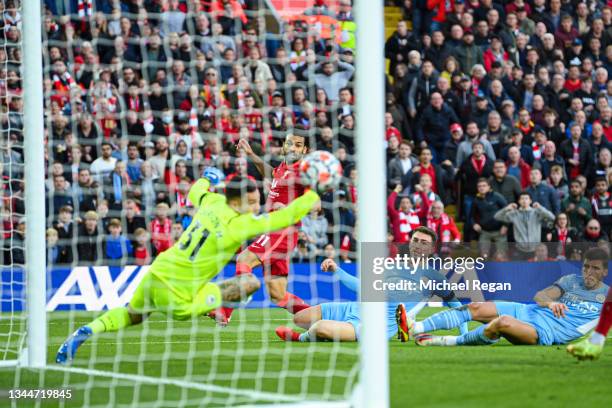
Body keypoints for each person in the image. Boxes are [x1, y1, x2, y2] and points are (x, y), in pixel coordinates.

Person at [56, 175, 321, 364]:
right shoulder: (240, 225)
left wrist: (207, 177)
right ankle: (221, 310)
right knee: (249, 284)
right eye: (251, 202)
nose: (255, 207)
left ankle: (88, 330)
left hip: (157, 271)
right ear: (237, 202)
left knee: (133, 315)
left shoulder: (212, 201)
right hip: (179, 294)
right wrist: (313, 192)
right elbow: (285, 217)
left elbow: (196, 189)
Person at [275, 227, 467, 342]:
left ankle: (301, 338)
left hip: (376, 326)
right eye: (415, 240)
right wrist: (337, 270)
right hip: (355, 308)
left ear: (432, 248)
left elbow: (456, 306)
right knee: (299, 318)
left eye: (423, 243)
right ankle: (336, 330)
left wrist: (463, 336)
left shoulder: (434, 277)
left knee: (318, 328)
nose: (418, 245)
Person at [401, 247, 609, 347]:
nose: (588, 272)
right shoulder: (571, 280)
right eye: (586, 267)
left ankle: (444, 341)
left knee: (502, 323)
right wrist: (551, 302)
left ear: (605, 272)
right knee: (476, 307)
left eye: (595, 269)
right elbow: (540, 295)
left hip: (545, 332)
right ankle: (414, 328)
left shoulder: (607, 296)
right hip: (529, 310)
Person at [209, 133, 311, 325]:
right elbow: (271, 174)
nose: (292, 148)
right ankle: (321, 316)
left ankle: (228, 307)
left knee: (243, 259)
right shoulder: (283, 168)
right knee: (277, 295)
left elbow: (316, 205)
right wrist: (250, 154)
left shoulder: (303, 172)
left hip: (283, 230)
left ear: (305, 151)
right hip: (276, 230)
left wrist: (289, 210)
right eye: (289, 143)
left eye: (298, 145)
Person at [494, 192, 555, 257]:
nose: (524, 201)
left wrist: (540, 208)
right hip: (520, 249)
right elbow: (497, 217)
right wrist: (506, 208)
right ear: (519, 201)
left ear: (530, 201)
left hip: (535, 249)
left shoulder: (537, 212)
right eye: (522, 199)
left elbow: (552, 217)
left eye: (526, 198)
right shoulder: (514, 214)